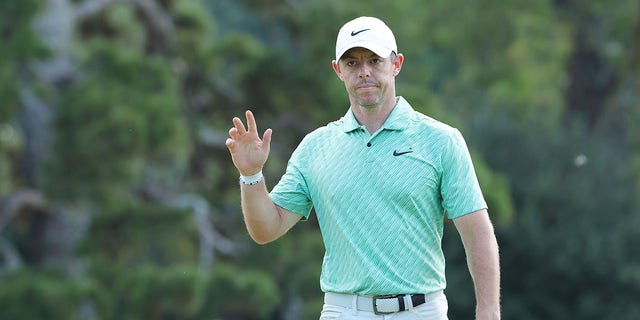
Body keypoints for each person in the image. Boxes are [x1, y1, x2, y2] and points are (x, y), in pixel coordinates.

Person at [225, 16, 500, 320]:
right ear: (338, 70)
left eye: (374, 60)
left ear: (396, 64)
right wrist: (251, 175)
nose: (364, 72)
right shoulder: (316, 147)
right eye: (352, 63)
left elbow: (476, 232)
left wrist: (488, 312)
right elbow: (267, 229)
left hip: (420, 311)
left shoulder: (441, 141)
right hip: (342, 311)